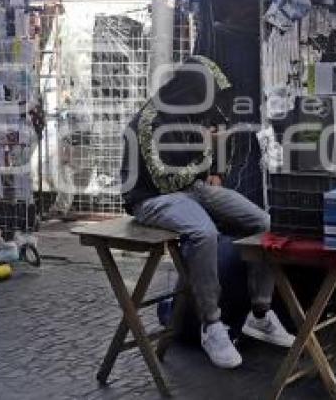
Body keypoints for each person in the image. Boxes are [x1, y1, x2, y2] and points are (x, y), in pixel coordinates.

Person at [119, 55, 294, 370]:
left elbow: (218, 141)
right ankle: (211, 324)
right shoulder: (149, 121)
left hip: (193, 188)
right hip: (152, 197)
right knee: (203, 234)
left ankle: (260, 311)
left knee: (264, 222)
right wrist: (208, 156)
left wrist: (216, 163)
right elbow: (164, 179)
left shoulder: (196, 110)